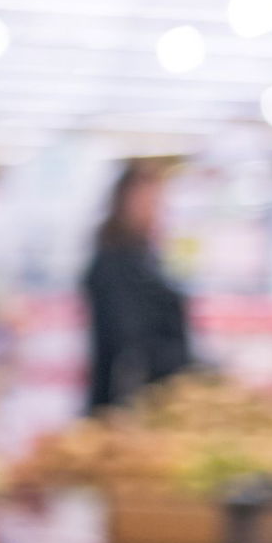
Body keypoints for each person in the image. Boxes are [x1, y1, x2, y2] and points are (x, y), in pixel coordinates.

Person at [84, 160, 192, 413]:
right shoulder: (113, 262)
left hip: (156, 390)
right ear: (124, 201)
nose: (154, 210)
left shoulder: (145, 258)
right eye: (149, 201)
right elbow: (125, 337)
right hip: (132, 396)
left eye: (157, 202)